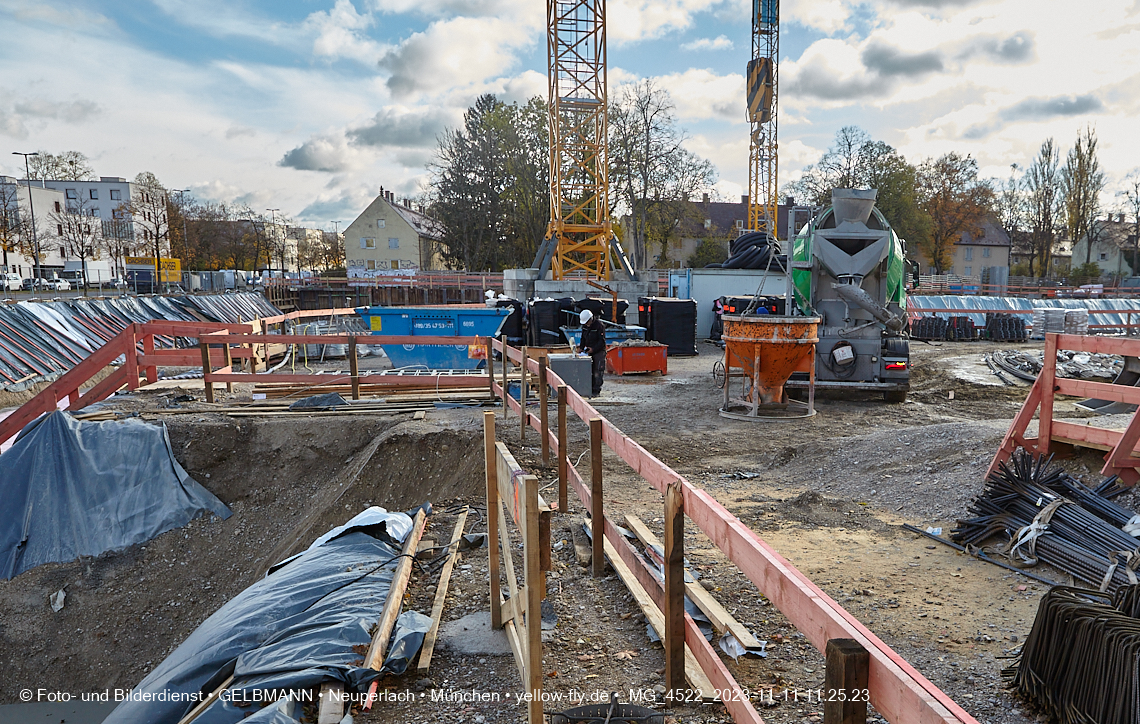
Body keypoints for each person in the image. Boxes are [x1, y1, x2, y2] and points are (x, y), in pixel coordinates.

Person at [578, 309, 607, 397]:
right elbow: (583, 337)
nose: (587, 324)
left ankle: (596, 391)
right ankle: (589, 389)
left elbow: (602, 342)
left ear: (591, 319)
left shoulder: (599, 326)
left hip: (599, 352)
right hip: (589, 350)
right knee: (589, 371)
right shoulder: (585, 326)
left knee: (597, 371)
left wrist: (593, 349)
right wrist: (581, 348)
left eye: (587, 322)